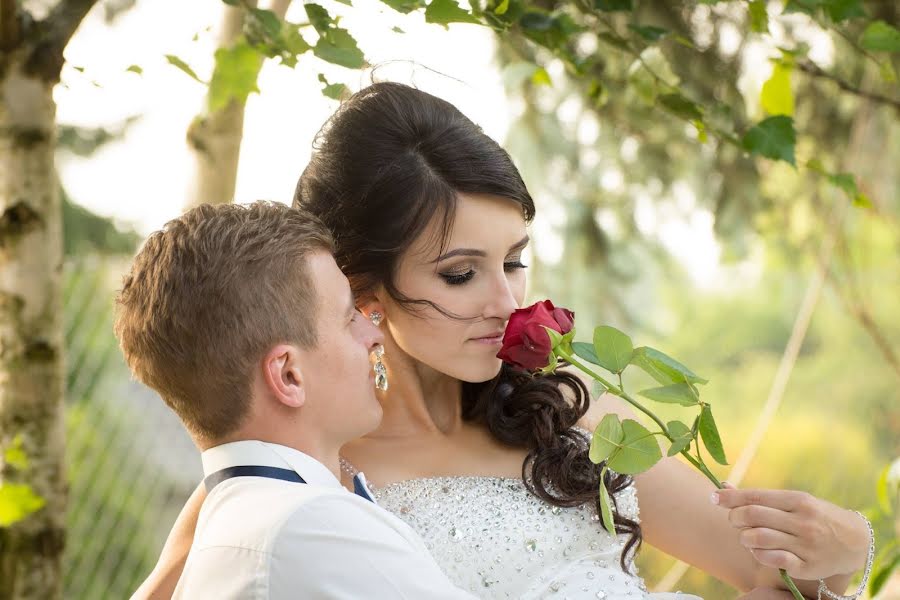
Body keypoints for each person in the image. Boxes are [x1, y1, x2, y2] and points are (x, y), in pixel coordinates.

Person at [139, 84, 872, 599]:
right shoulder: (292, 484)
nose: (506, 302)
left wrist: (847, 551)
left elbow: (774, 577)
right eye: (460, 274)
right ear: (361, 285)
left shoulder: (574, 415)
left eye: (515, 260)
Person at [117, 202, 473, 599]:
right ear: (288, 375)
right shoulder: (311, 526)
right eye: (347, 317)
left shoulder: (235, 522)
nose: (375, 336)